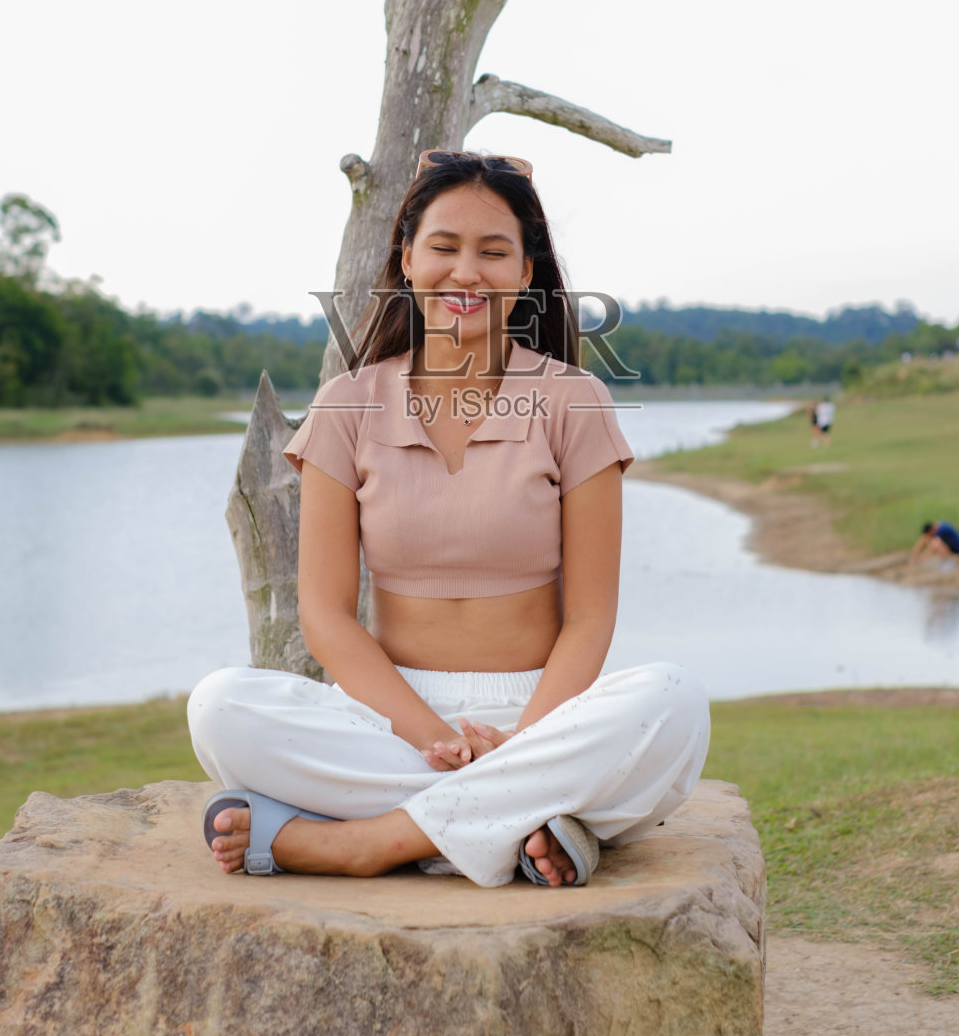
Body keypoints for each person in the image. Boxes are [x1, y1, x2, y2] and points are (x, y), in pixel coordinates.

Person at [188, 151, 710, 890]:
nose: (466, 273)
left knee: (673, 702)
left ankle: (364, 844)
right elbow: (326, 619)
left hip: (539, 712)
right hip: (389, 721)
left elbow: (590, 619)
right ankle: (528, 821)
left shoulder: (575, 400)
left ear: (525, 272)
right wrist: (437, 739)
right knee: (219, 707)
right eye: (443, 247)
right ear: (406, 258)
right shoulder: (347, 404)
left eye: (493, 252)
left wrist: (522, 742)